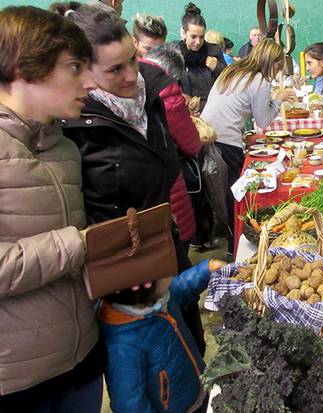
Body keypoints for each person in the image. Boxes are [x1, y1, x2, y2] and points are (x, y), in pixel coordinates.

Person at [0, 6, 104, 411]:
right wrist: (79, 245)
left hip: (76, 362)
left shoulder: (63, 146)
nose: (89, 82)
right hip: (5, 383)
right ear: (24, 67)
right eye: (74, 67)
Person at [58, 3, 211, 378]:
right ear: (83, 72)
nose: (132, 75)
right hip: (121, 275)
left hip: (166, 246)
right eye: (115, 69)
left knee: (190, 350)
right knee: (150, 369)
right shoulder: (73, 123)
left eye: (134, 58)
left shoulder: (153, 91)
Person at [200, 39, 296, 255]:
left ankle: (231, 244)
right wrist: (278, 99)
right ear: (270, 62)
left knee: (222, 195)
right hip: (226, 141)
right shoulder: (260, 80)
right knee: (236, 195)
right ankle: (237, 248)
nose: (277, 71)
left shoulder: (233, 70)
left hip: (208, 136)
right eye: (278, 66)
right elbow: (263, 121)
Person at [98, 259, 224, 413]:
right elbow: (129, 404)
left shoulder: (160, 298)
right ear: (145, 286)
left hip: (197, 384)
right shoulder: (122, 346)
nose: (172, 275)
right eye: (165, 274)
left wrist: (207, 270)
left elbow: (182, 285)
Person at [141, 44, 201, 247]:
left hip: (138, 195)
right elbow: (191, 144)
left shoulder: (133, 79)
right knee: (176, 246)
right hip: (166, 182)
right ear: (173, 75)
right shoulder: (168, 91)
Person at [175, 3, 227, 112]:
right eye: (193, 37)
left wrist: (217, 67)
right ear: (184, 33)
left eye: (201, 37)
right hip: (185, 111)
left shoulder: (213, 51)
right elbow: (166, 85)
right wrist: (180, 95)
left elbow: (228, 80)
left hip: (213, 109)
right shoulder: (174, 53)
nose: (198, 42)